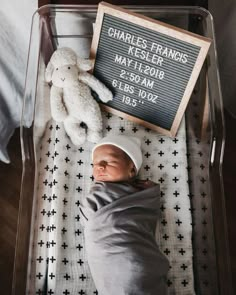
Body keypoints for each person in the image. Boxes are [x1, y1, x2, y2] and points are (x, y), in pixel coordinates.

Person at [79, 135, 169, 295]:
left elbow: (144, 219)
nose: (99, 166)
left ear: (132, 170)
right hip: (112, 258)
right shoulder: (98, 193)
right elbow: (90, 221)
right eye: (95, 164)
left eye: (109, 161)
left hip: (137, 259)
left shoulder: (143, 197)